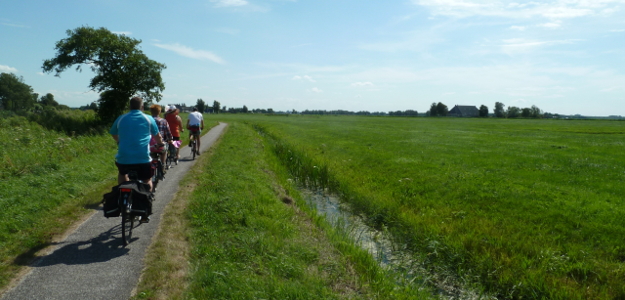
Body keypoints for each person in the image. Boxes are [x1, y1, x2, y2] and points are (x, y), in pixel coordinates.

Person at [110, 97, 164, 194]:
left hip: (124, 157)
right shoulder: (148, 118)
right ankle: (148, 198)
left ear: (129, 106)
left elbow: (113, 133)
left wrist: (119, 141)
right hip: (142, 157)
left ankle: (123, 195)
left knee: (122, 174)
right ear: (142, 107)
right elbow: (157, 136)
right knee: (147, 180)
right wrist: (160, 144)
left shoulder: (121, 118)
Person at [149, 104, 173, 170]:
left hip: (149, 145)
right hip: (159, 144)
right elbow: (168, 132)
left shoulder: (147, 120)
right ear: (159, 112)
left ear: (151, 111)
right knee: (164, 151)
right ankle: (163, 164)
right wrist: (170, 139)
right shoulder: (163, 121)